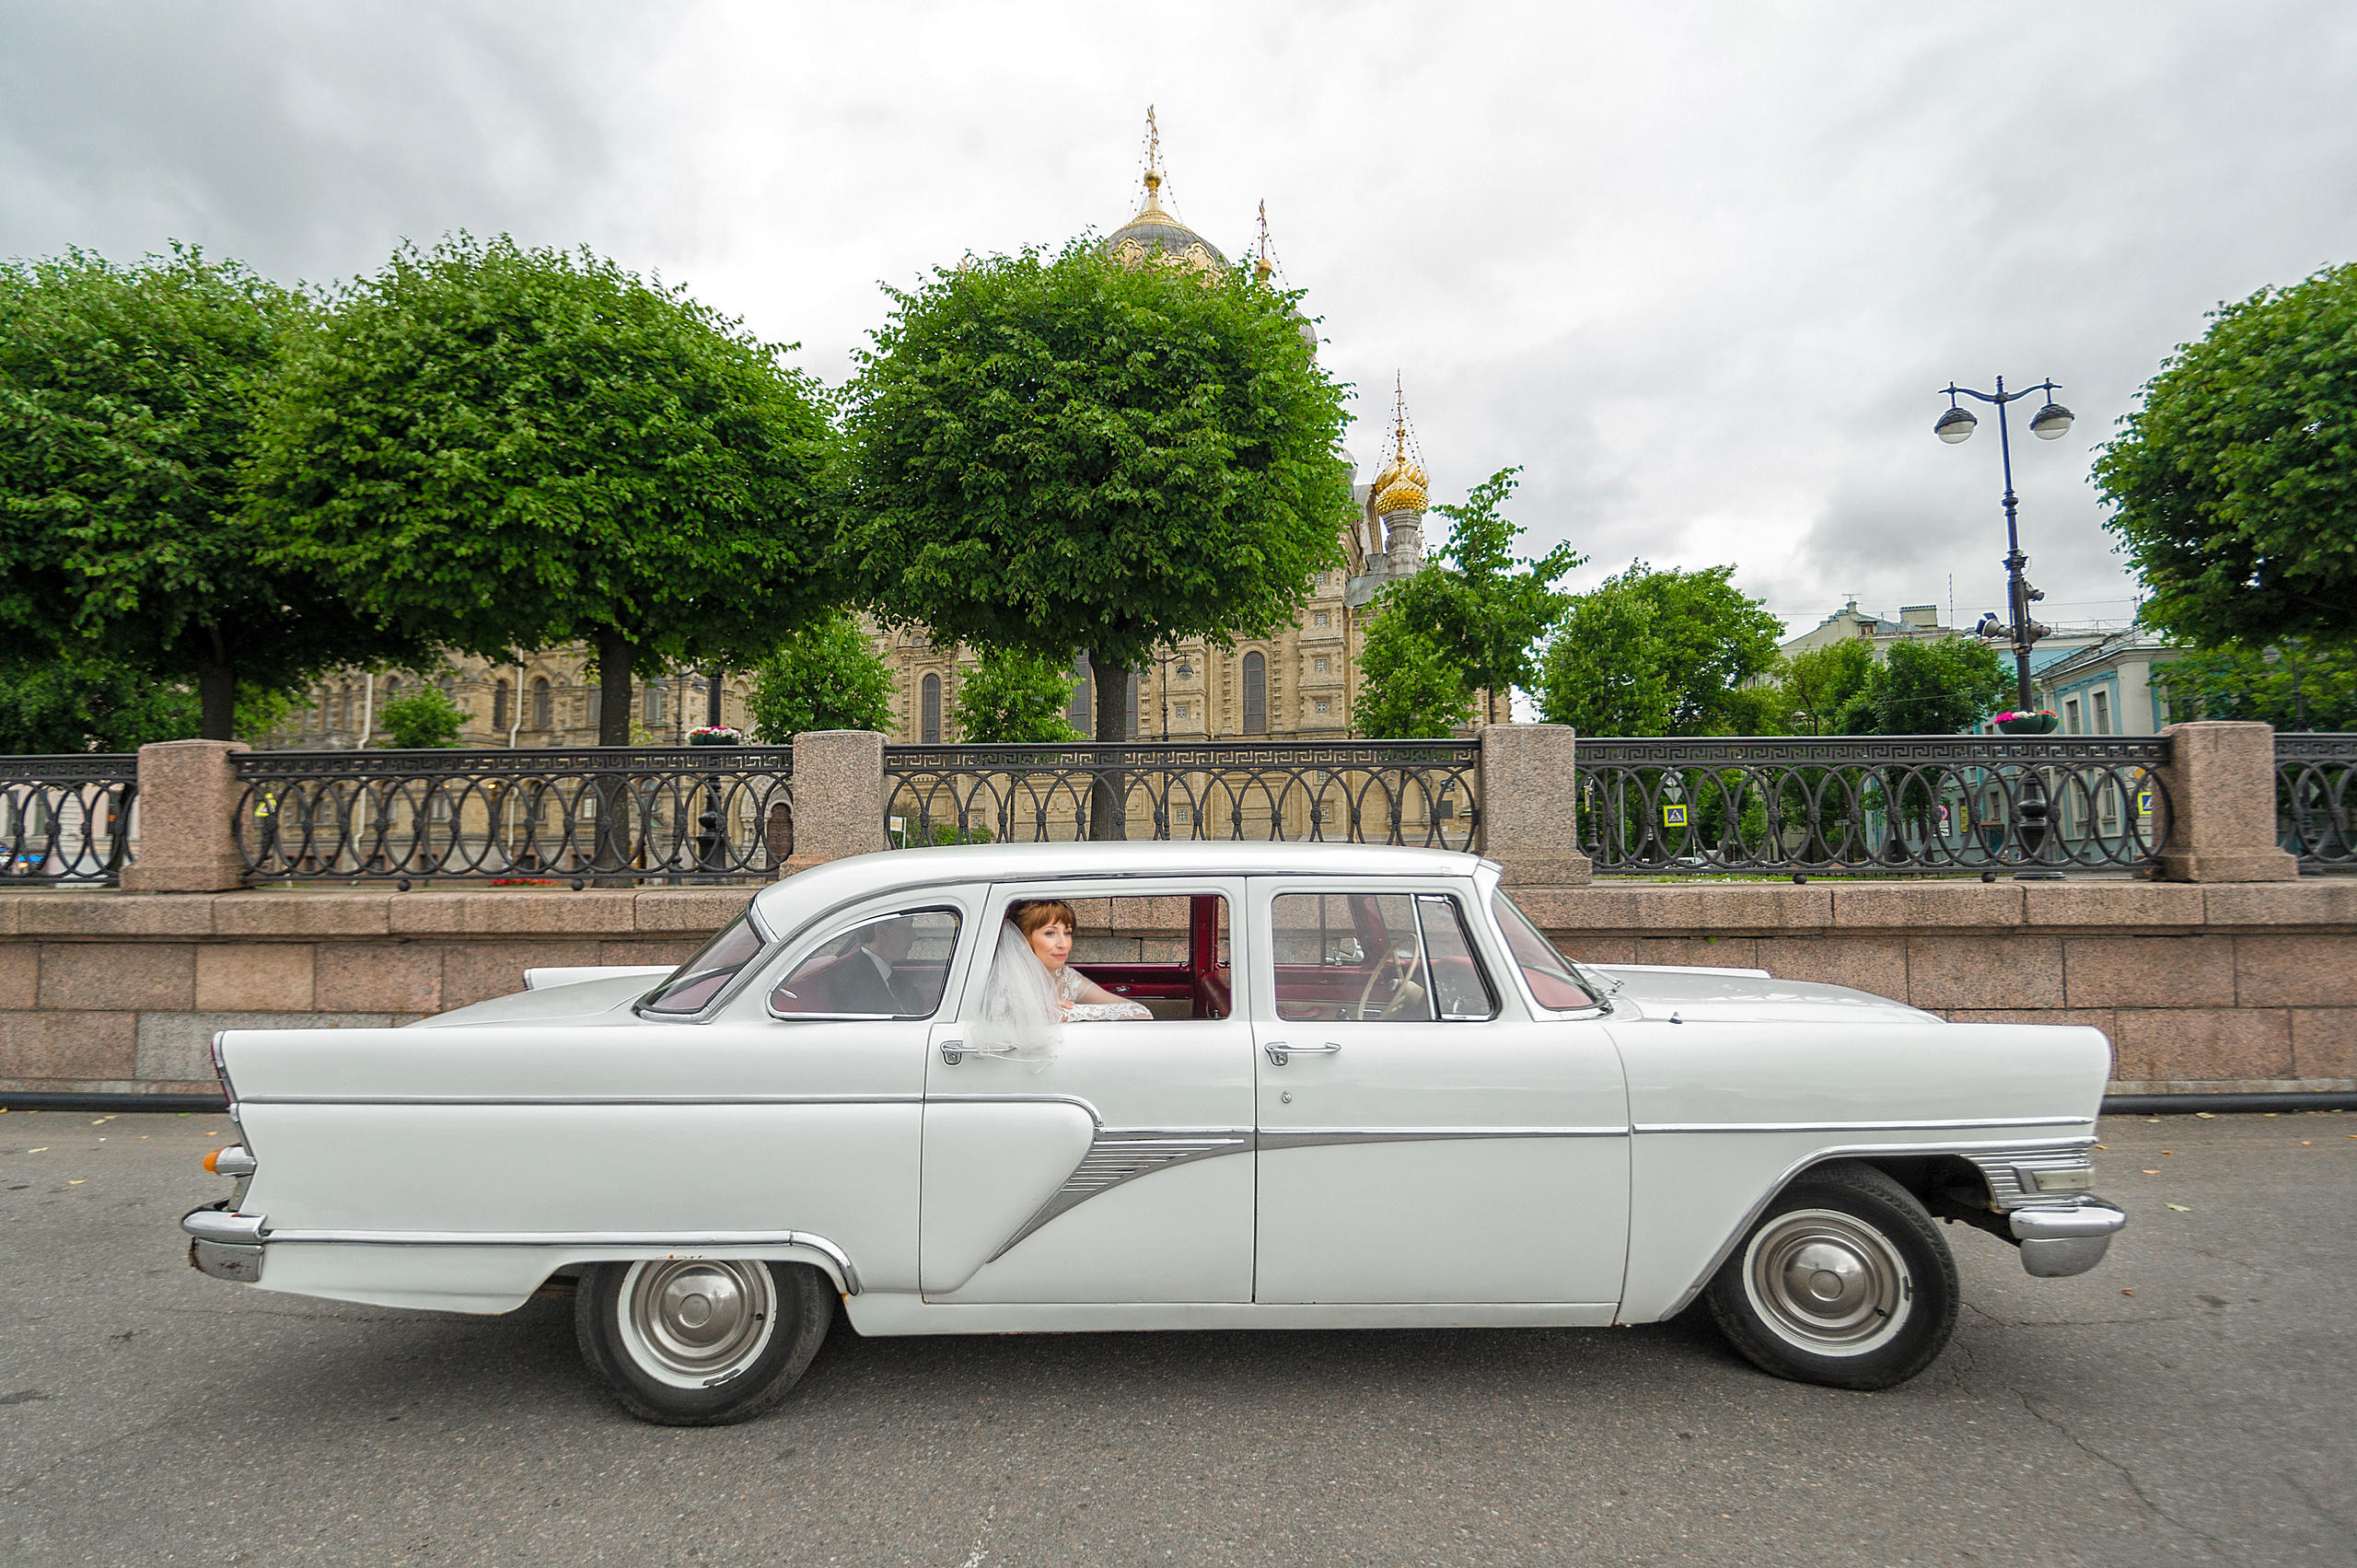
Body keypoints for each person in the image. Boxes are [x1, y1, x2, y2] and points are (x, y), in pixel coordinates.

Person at [973, 899, 1149, 1062]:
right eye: (1050, 933)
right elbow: (992, 1038)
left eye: (1067, 932)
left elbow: (1142, 1013)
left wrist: (1071, 1014)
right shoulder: (1001, 982)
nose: (1064, 944)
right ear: (1022, 941)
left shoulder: (1067, 978)